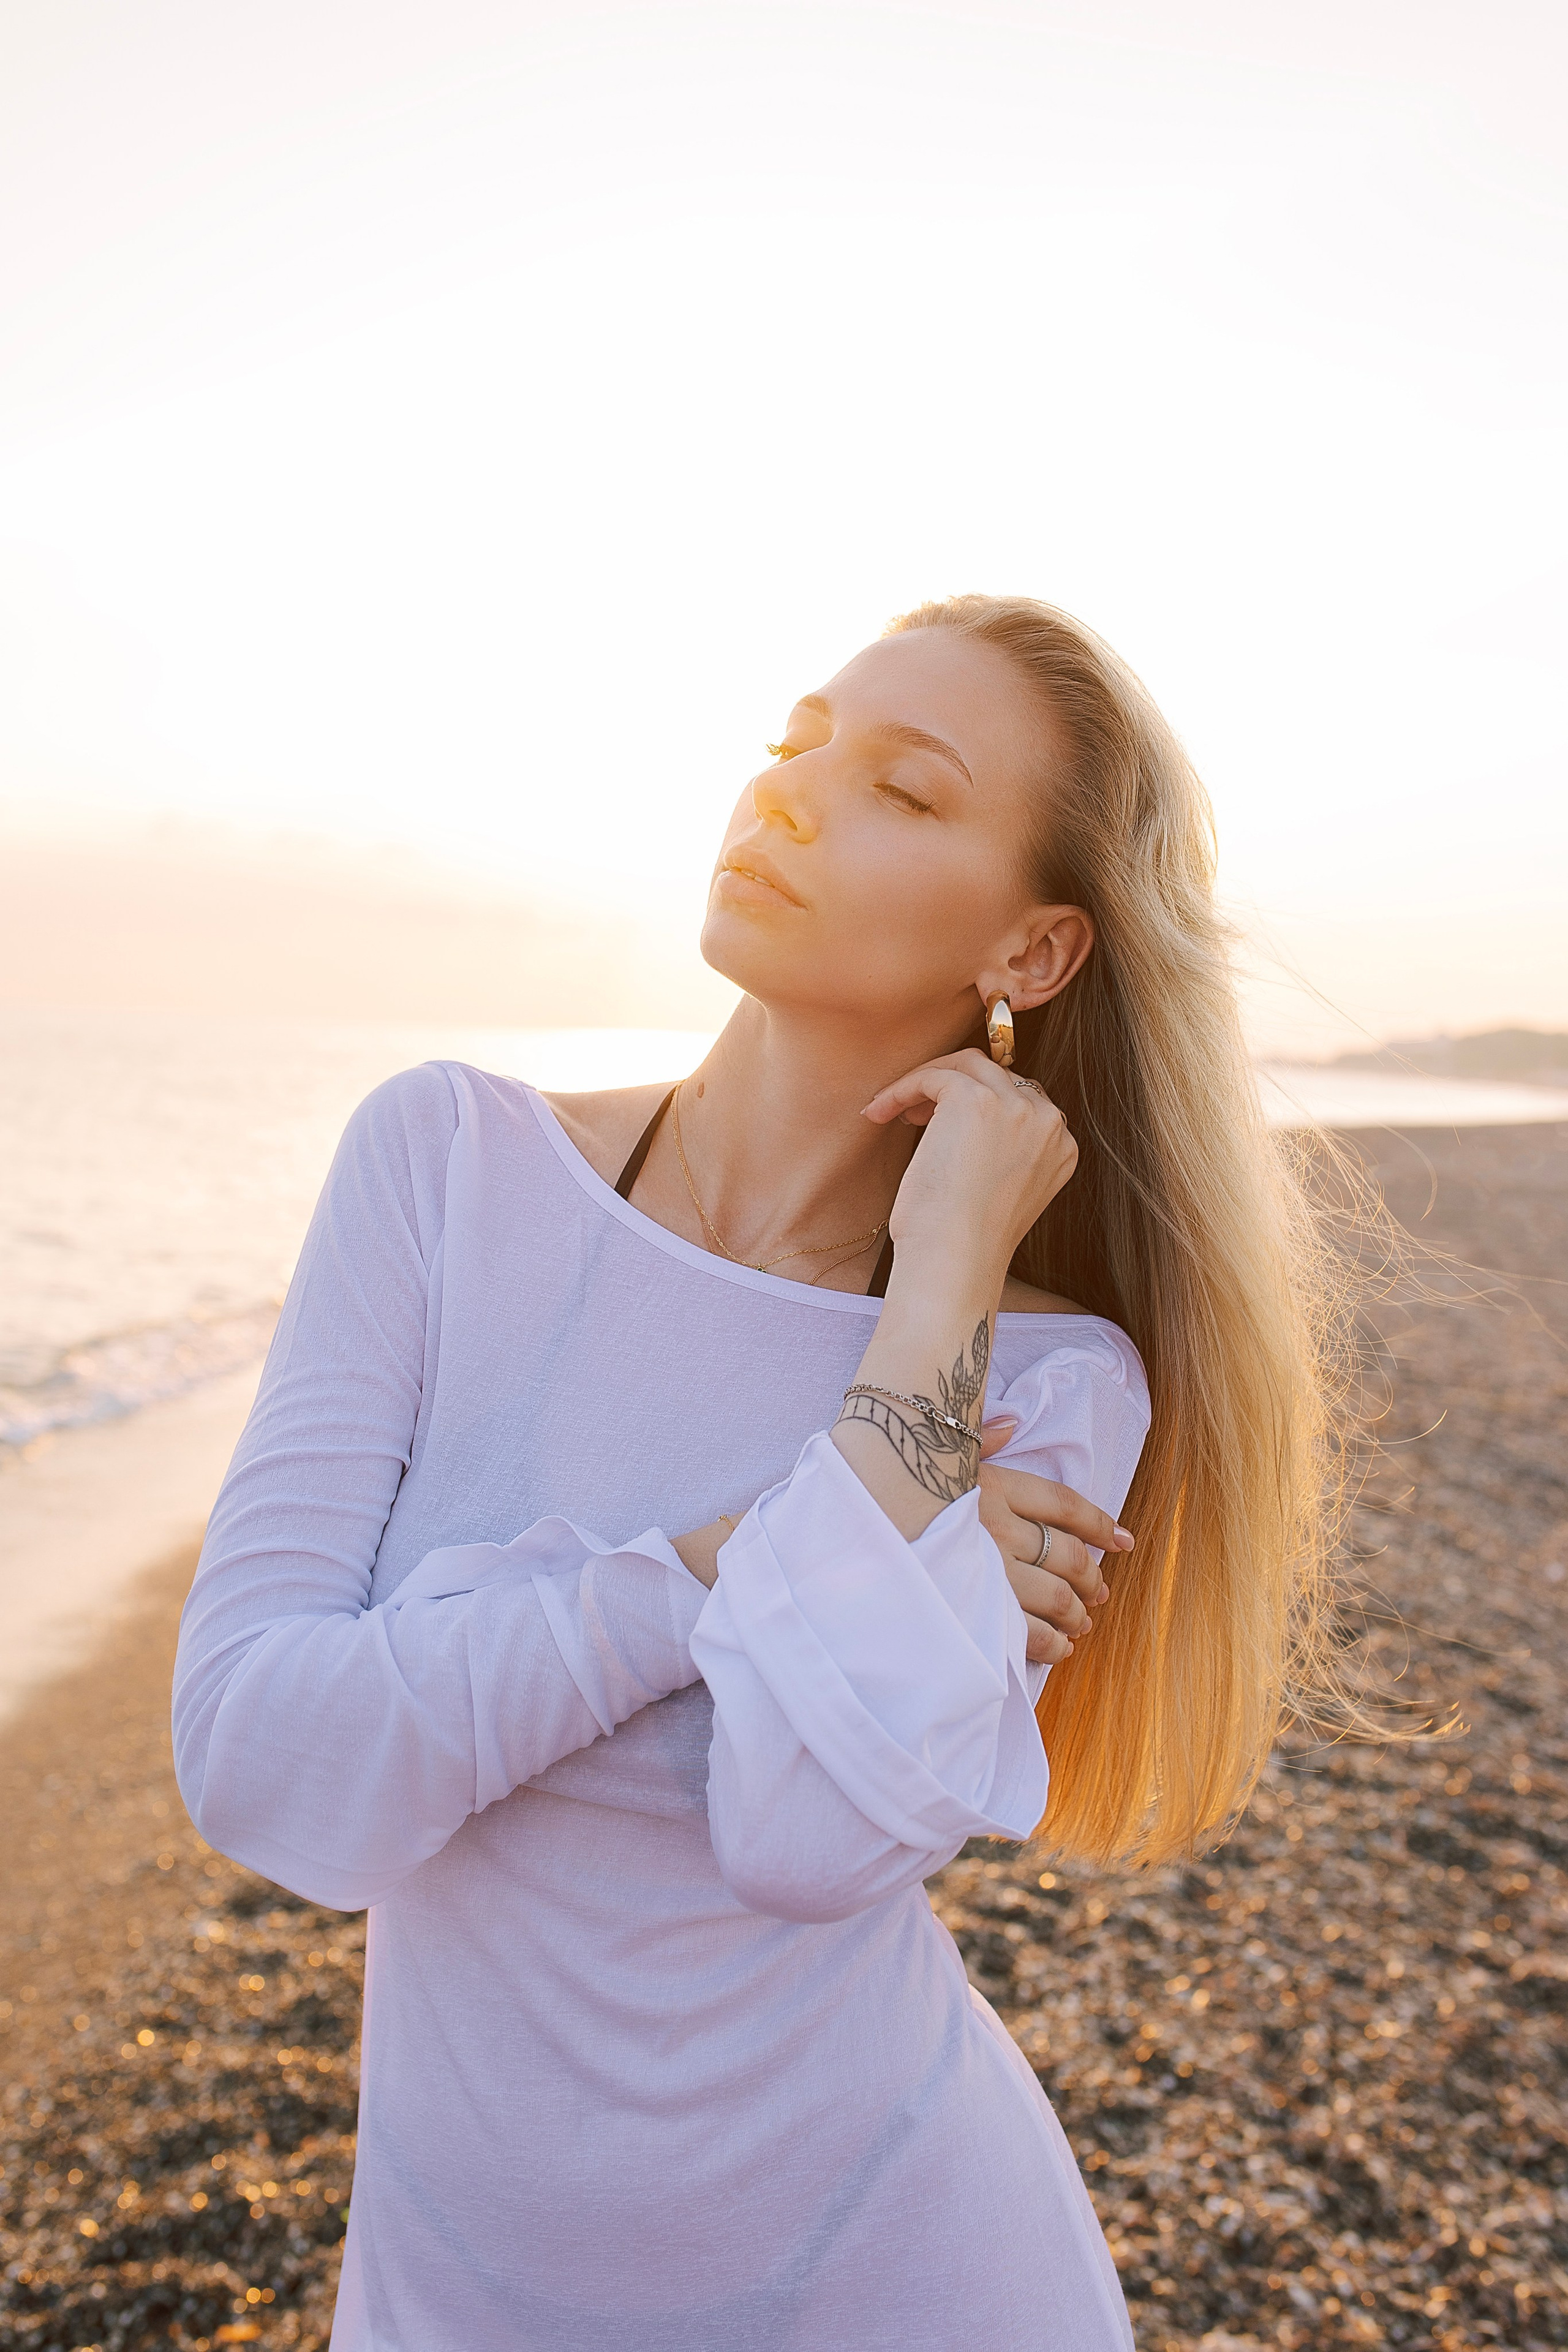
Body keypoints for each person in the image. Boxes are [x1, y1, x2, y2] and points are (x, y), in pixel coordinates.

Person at [173, 594, 1332, 2350]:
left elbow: (803, 1837)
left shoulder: (1044, 1375)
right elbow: (263, 1764)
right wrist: (726, 1564)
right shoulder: (444, 1167)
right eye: (794, 743)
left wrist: (939, 1289)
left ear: (1031, 955)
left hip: (905, 2282)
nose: (784, 797)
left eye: (903, 790)